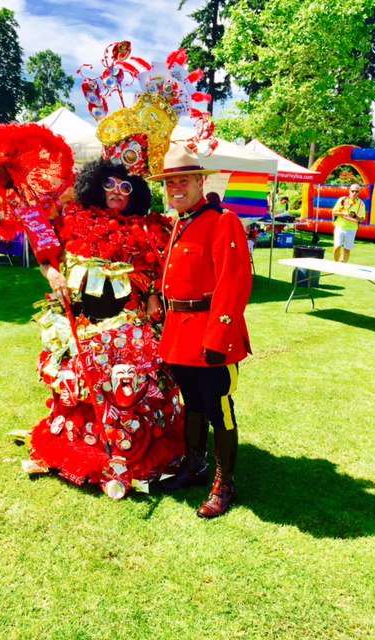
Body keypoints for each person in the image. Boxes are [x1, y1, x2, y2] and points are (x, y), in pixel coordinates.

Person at [27, 158, 185, 499]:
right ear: (95, 186)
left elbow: (159, 267)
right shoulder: (72, 219)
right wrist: (54, 275)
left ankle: (131, 452)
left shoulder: (146, 227)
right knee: (84, 388)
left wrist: (155, 294)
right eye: (109, 185)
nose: (117, 192)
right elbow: (46, 252)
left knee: (133, 389)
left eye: (125, 187)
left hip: (131, 330)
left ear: (136, 193)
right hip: (85, 328)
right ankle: (93, 451)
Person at [148, 144, 253, 518]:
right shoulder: (181, 220)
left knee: (219, 409)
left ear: (200, 181)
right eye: (170, 182)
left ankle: (226, 484)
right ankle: (195, 464)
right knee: (191, 405)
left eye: (183, 180)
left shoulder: (223, 221)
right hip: (179, 334)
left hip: (210, 334)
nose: (176, 187)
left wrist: (217, 340)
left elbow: (234, 282)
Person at [332, 184, 365, 262]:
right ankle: (336, 264)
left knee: (347, 250)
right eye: (352, 191)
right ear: (349, 191)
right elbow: (334, 212)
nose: (354, 193)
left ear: (359, 192)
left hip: (352, 229)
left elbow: (362, 219)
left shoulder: (361, 204)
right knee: (337, 247)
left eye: (356, 191)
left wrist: (355, 216)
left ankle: (343, 266)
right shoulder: (343, 200)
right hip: (340, 226)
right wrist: (344, 213)